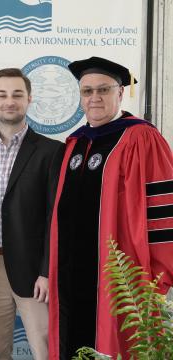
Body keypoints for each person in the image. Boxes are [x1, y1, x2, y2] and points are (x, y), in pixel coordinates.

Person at [48, 56, 173, 359]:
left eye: (103, 89)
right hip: (69, 275)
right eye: (87, 91)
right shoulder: (75, 143)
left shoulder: (142, 138)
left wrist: (158, 278)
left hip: (122, 281)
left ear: (120, 93)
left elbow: (163, 211)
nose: (94, 98)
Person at [0, 68, 63, 360]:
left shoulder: (51, 152)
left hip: (34, 272)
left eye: (17, 94)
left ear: (29, 99)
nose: (9, 101)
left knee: (45, 350)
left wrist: (47, 271)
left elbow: (55, 216)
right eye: (2, 94)